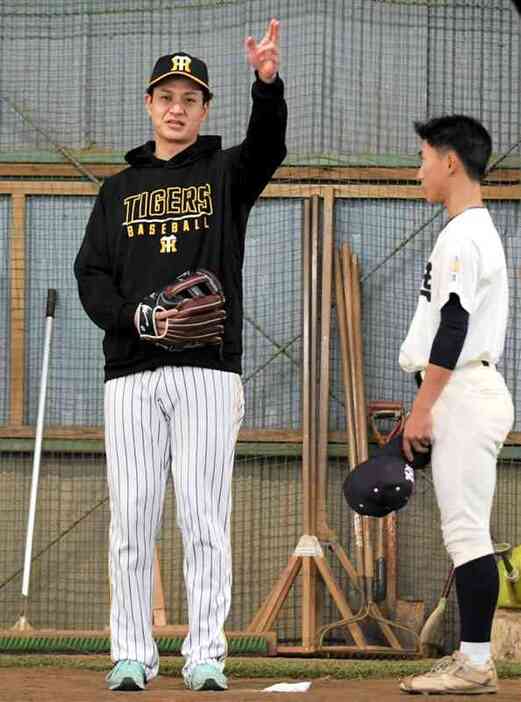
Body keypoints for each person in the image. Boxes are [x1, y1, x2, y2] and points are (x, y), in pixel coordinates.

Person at [74, 19, 286, 693]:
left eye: (189, 97)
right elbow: (91, 275)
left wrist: (267, 84)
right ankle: (132, 652)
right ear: (148, 103)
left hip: (206, 370)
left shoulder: (224, 175)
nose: (176, 105)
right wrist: (131, 317)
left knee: (203, 517)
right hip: (131, 374)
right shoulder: (117, 191)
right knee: (132, 518)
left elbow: (270, 146)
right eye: (166, 94)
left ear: (203, 109)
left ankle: (204, 654)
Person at [398, 115, 514, 695]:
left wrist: (424, 407)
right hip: (460, 389)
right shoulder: (466, 231)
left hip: (462, 390)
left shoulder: (464, 234)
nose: (418, 170)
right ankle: (471, 660)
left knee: (468, 534)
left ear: (449, 161)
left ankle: (474, 664)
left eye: (423, 157)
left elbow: (455, 324)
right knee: (462, 532)